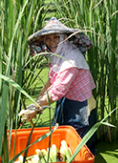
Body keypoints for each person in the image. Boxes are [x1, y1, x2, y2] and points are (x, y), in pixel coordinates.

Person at [18, 18, 98, 153]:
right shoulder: (57, 54)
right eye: (48, 38)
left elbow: (58, 89)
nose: (52, 41)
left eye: (56, 37)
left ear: (65, 38)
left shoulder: (71, 58)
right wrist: (36, 103)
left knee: (79, 142)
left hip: (81, 103)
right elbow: (51, 80)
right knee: (63, 133)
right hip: (66, 99)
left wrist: (37, 106)